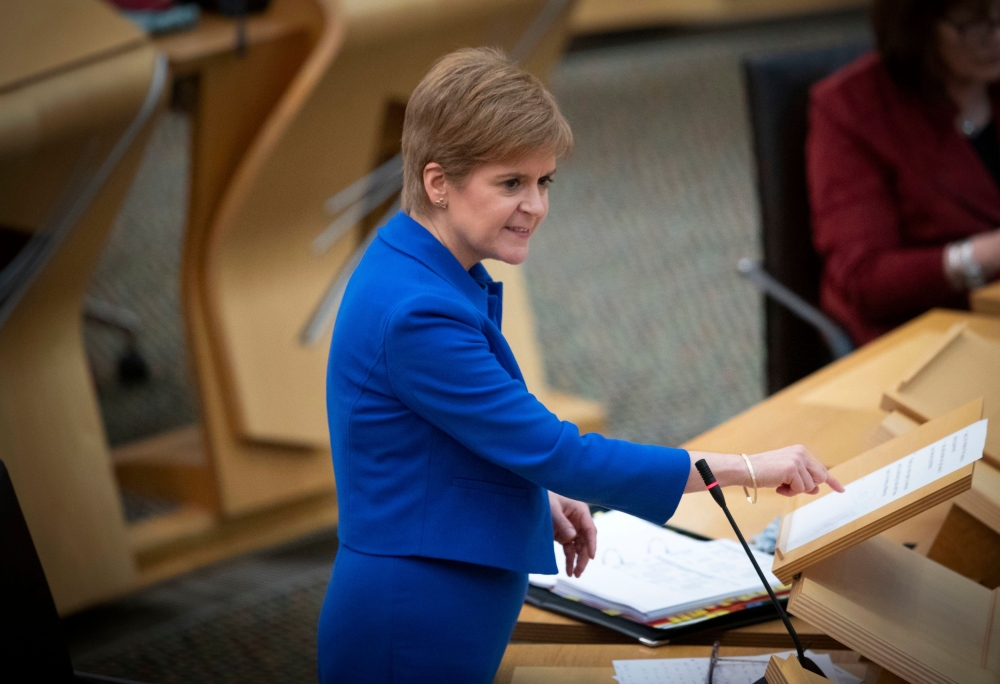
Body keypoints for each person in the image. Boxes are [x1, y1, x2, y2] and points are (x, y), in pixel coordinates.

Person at [318, 47, 843, 684]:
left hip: (438, 592)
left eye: (544, 182)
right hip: (414, 616)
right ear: (437, 183)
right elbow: (565, 454)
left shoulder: (415, 263)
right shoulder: (419, 313)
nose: (536, 205)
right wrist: (748, 468)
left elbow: (435, 444)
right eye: (511, 183)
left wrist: (533, 493)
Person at [808, 0, 1000, 345]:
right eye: (975, 24)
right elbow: (863, 279)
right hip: (929, 339)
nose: (997, 36)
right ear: (916, 23)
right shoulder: (853, 108)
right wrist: (982, 255)